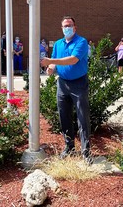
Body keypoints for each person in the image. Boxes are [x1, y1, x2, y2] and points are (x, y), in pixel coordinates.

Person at [41, 15, 93, 165]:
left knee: (82, 117)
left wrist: (50, 61)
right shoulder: (58, 44)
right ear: (62, 28)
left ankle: (86, 151)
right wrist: (50, 68)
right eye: (65, 26)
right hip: (62, 84)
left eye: (69, 25)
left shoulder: (81, 42)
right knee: (64, 116)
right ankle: (69, 146)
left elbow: (73, 59)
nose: (67, 28)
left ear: (75, 27)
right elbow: (55, 62)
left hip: (79, 84)